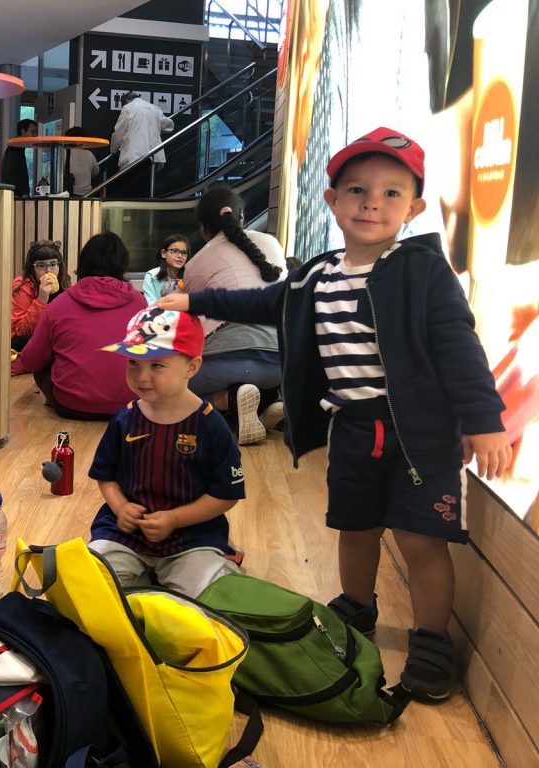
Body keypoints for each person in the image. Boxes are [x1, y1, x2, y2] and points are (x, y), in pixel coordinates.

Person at [156, 127, 513, 701]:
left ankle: (431, 639)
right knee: (355, 527)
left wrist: (484, 419)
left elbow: (458, 345)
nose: (373, 202)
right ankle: (355, 608)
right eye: (357, 190)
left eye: (392, 193)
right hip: (352, 426)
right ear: (333, 200)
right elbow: (258, 301)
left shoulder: (422, 270)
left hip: (420, 434)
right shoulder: (314, 276)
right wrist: (193, 299)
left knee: (422, 540)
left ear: (414, 208)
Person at [88, 308, 245, 596]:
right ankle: (145, 584)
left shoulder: (211, 425)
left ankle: (208, 566)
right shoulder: (125, 418)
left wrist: (175, 519)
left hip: (191, 536)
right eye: (133, 363)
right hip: (125, 533)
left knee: (210, 595)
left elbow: (226, 495)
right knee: (91, 582)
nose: (141, 376)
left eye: (157, 365)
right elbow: (105, 475)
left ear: (192, 367)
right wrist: (120, 507)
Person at [183, 184, 288, 444]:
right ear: (241, 217)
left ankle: (226, 399)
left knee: (168, 384)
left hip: (228, 362)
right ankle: (267, 402)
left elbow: (191, 322)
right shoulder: (272, 244)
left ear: (203, 228)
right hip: (281, 362)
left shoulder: (197, 263)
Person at [18, 232, 146, 419]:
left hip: (71, 404)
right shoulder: (140, 303)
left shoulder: (60, 303)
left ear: (83, 264)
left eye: (53, 264)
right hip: (128, 404)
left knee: (43, 359)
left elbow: (30, 360)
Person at [11, 240, 68, 352]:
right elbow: (19, 332)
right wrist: (41, 300)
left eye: (53, 264)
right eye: (41, 266)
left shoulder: (64, 284)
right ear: (32, 269)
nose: (48, 271)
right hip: (25, 346)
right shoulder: (22, 286)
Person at [110, 92, 174, 182]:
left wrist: (113, 150)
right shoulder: (155, 109)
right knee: (147, 186)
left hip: (133, 158)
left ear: (127, 100)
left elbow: (118, 132)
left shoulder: (128, 108)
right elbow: (170, 126)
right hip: (153, 157)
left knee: (132, 186)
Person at [142, 234, 190, 304]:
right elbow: (151, 304)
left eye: (184, 252)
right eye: (175, 251)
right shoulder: (152, 276)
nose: (180, 256)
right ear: (164, 253)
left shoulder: (188, 277)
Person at [0, 119, 38, 197]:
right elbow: (11, 175)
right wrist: (24, 192)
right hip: (16, 196)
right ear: (23, 132)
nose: (35, 135)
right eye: (33, 132)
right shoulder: (15, 150)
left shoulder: (15, 148)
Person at [64, 125, 100, 196]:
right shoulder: (89, 154)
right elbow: (96, 172)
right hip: (87, 195)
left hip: (69, 195)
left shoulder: (64, 153)